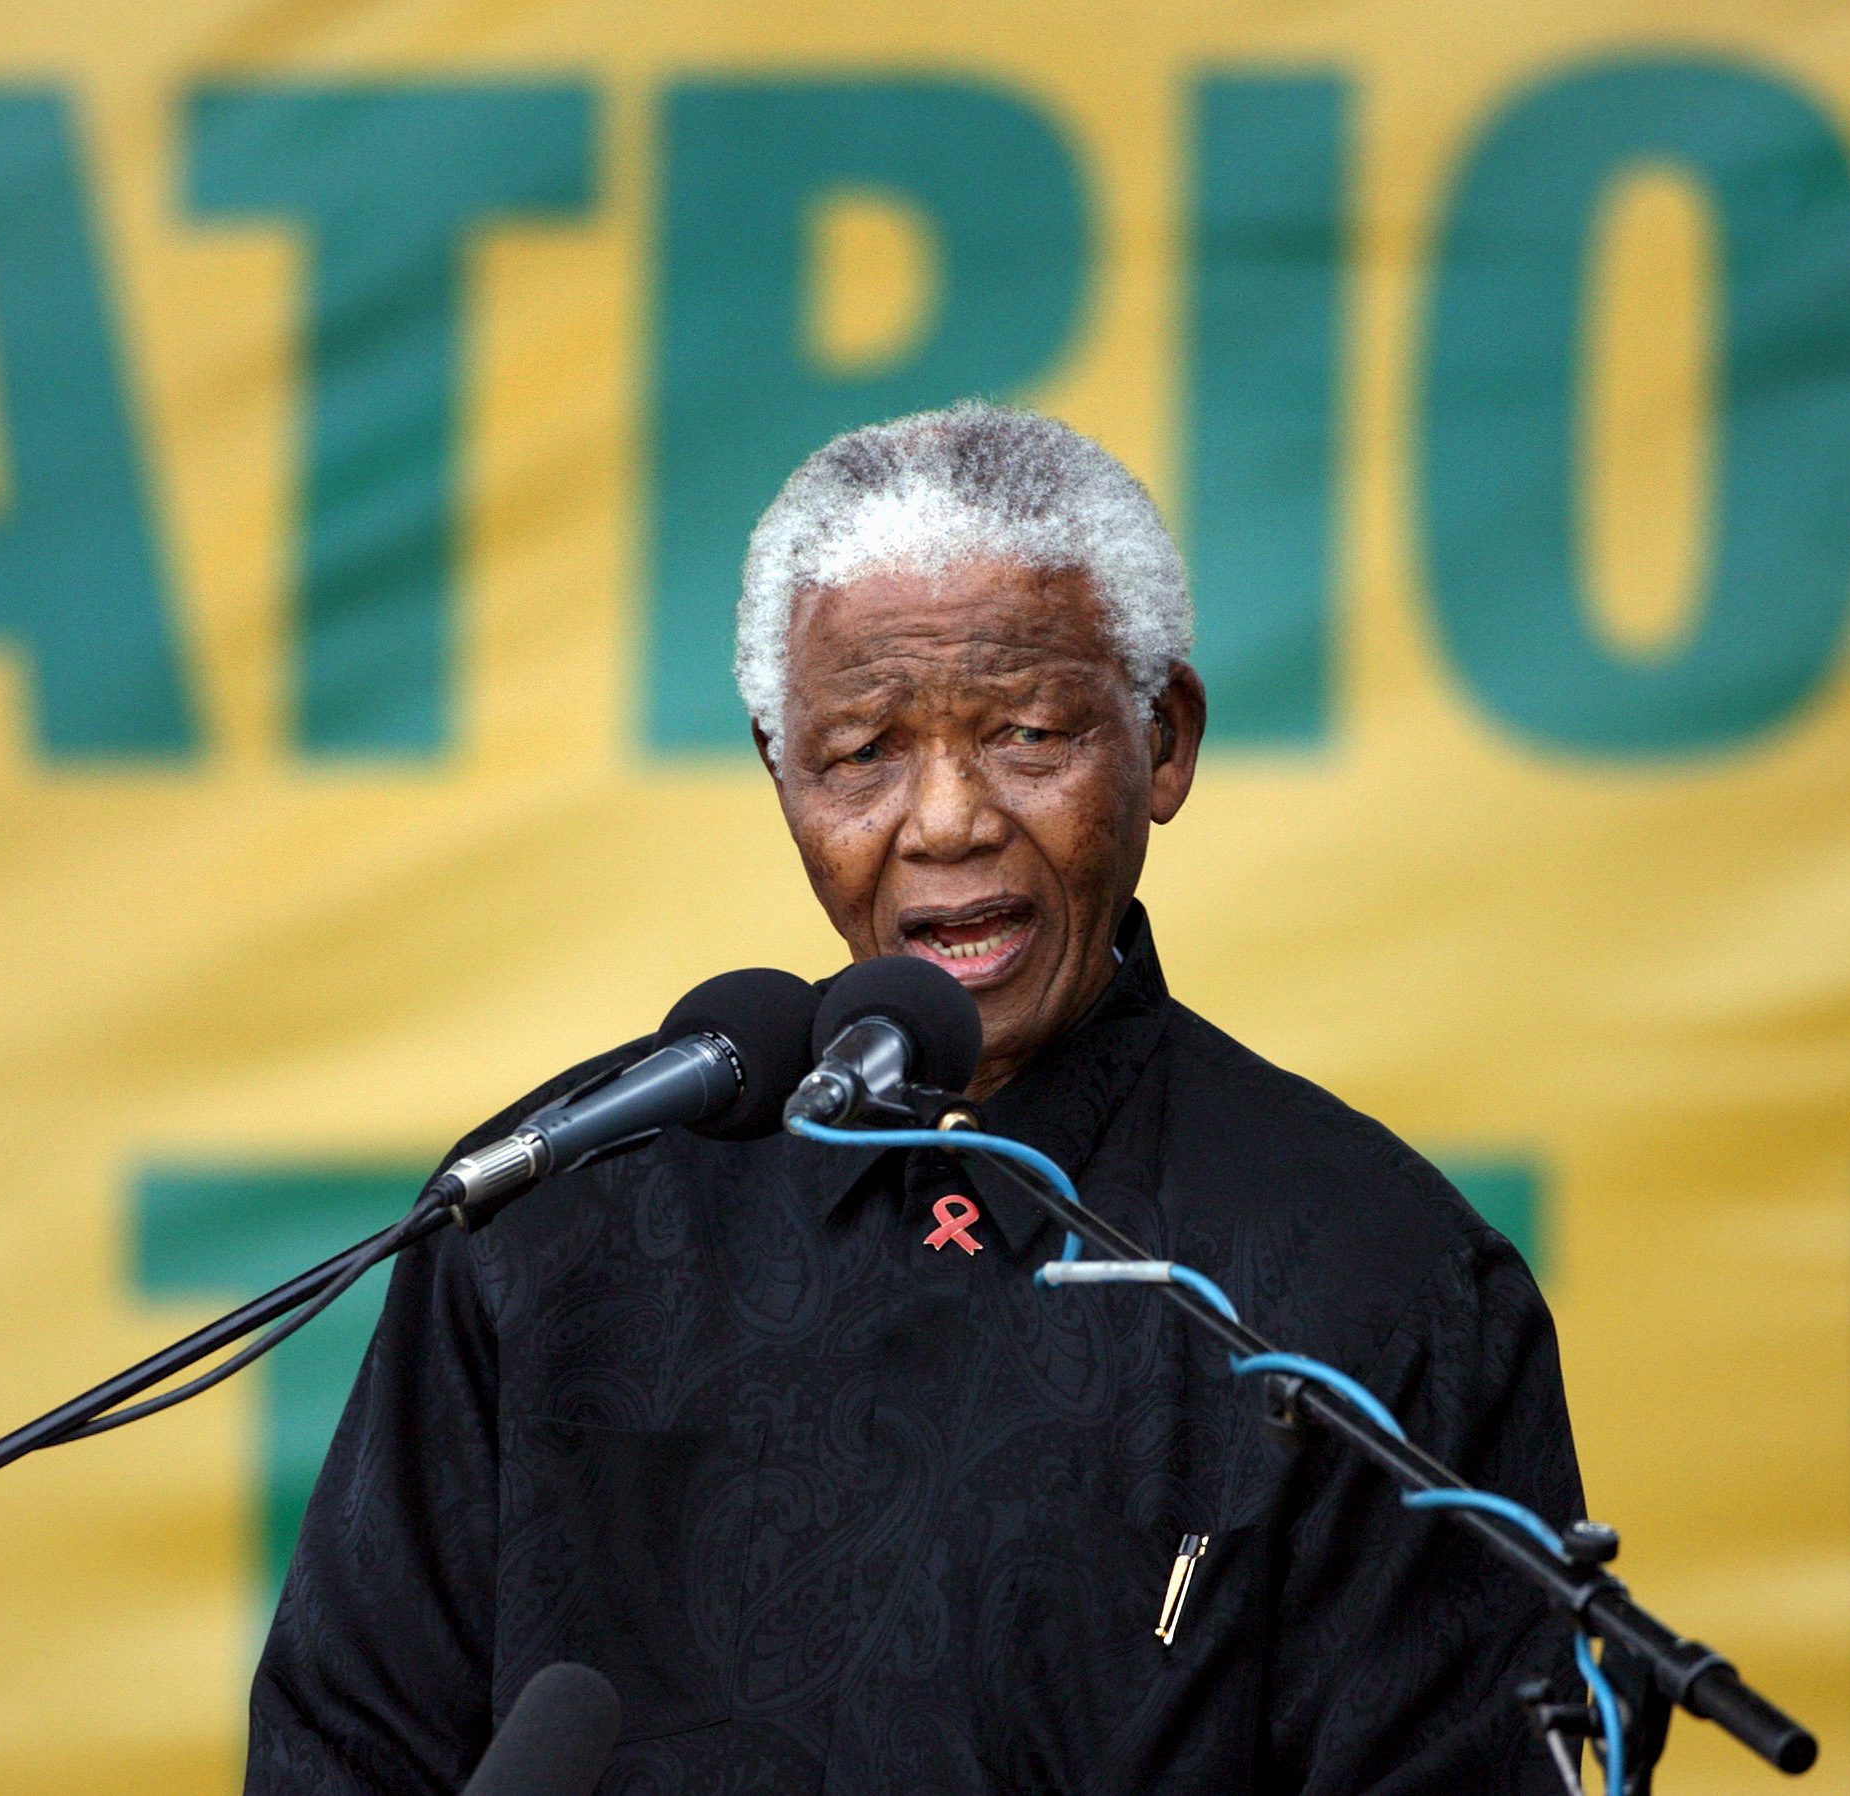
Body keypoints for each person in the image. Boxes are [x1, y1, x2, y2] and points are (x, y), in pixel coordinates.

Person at [246, 403, 1584, 1793]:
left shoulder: (1376, 1278)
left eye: (1028, 732)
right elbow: (340, 1752)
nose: (947, 819)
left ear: (1164, 740)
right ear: (780, 770)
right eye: (864, 753)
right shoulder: (553, 1214)